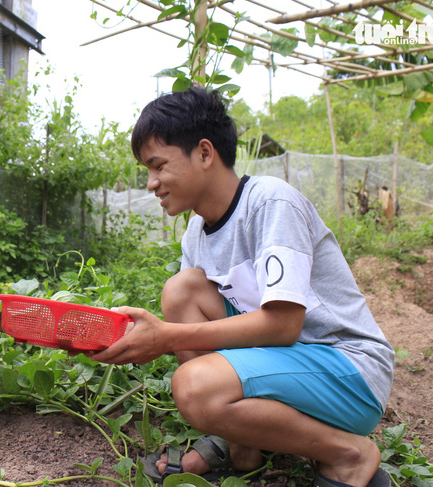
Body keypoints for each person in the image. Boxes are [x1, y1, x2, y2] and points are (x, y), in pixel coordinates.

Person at [91, 87, 394, 487]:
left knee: (195, 387)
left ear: (204, 153)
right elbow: (205, 325)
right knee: (181, 291)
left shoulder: (270, 203)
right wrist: (134, 339)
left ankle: (349, 454)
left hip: (348, 371)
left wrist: (165, 338)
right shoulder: (197, 235)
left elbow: (283, 326)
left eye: (158, 166)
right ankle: (241, 448)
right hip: (290, 363)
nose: (151, 183)